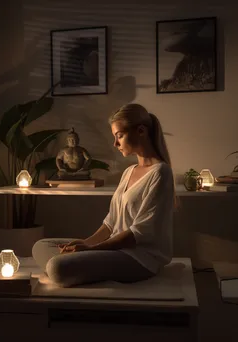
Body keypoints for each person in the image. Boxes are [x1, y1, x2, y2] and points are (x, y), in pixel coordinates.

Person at [32, 103, 176, 288]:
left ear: (141, 131)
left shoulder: (160, 172)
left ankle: (75, 269)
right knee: (41, 246)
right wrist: (85, 242)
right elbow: (111, 222)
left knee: (55, 267)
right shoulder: (129, 171)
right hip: (114, 249)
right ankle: (83, 268)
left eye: (119, 136)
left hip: (139, 258)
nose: (115, 144)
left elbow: (138, 233)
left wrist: (91, 249)